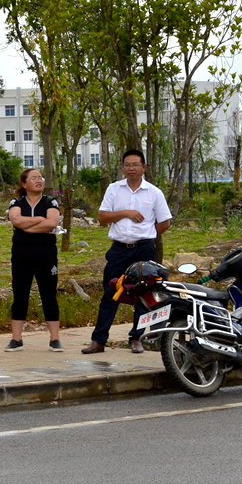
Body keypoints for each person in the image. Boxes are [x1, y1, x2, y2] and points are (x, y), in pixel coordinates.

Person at [82, 149, 172, 355]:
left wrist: (148, 235)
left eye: (135, 165)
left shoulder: (154, 193)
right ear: (123, 167)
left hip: (144, 250)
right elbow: (102, 217)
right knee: (110, 293)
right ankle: (98, 340)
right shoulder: (114, 189)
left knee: (143, 295)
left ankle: (137, 338)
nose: (131, 168)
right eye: (127, 165)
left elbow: (165, 222)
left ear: (144, 167)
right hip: (119, 250)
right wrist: (125, 213)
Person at [6, 168, 63, 352]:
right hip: (21, 255)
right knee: (20, 294)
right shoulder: (16, 202)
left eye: (40, 177)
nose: (39, 180)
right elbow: (16, 220)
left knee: (49, 294)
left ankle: (55, 339)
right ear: (24, 184)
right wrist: (39, 219)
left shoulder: (50, 201)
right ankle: (16, 339)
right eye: (33, 178)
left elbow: (52, 222)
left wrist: (28, 227)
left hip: (46, 255)